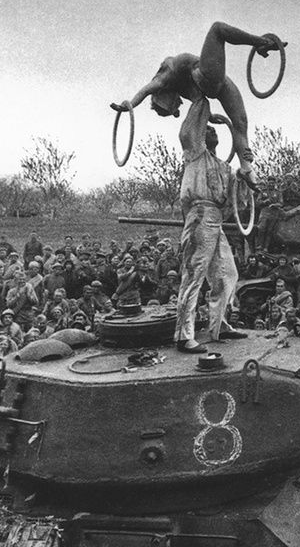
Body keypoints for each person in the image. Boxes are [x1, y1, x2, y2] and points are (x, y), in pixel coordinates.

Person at [111, 21, 286, 189]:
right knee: (217, 29)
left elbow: (145, 91)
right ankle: (263, 43)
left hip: (216, 81)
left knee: (241, 122)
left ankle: (246, 167)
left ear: (162, 96)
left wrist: (129, 106)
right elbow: (201, 102)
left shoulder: (164, 78)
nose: (178, 105)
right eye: (174, 108)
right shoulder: (183, 90)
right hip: (209, 80)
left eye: (172, 106)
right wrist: (211, 117)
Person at [173, 97, 247, 353]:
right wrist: (202, 104)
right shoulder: (195, 154)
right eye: (206, 128)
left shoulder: (224, 167)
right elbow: (187, 131)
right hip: (199, 215)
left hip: (216, 220)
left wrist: (246, 173)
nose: (212, 130)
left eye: (214, 129)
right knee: (193, 275)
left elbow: (237, 201)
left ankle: (219, 325)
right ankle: (184, 336)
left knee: (227, 273)